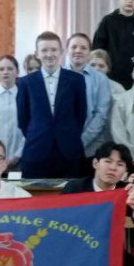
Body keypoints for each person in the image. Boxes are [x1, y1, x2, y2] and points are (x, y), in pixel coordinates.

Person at [16, 32, 89, 178]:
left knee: (71, 192)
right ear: (37, 54)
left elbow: (81, 115)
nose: (49, 54)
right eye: (44, 50)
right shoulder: (26, 82)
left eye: (54, 50)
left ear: (61, 52)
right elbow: (23, 119)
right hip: (36, 151)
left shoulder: (76, 80)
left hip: (69, 152)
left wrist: (68, 133)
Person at [66, 33, 113, 166]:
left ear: (89, 52)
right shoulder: (57, 76)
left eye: (83, 48)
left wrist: (80, 141)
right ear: (67, 50)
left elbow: (101, 115)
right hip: (61, 148)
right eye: (74, 47)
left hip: (91, 149)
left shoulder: (100, 79)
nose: (78, 51)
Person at [111, 60, 134, 169]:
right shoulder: (123, 99)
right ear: (132, 75)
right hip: (131, 158)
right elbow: (118, 130)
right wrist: (131, 155)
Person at [0, 55, 25, 169]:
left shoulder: (24, 95)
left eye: (10, 69)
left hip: (20, 157)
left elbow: (29, 127)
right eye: (1, 69)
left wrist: (17, 155)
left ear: (17, 72)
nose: (5, 72)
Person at [62, 142, 133, 194]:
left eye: (120, 164)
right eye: (108, 161)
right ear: (95, 163)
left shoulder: (127, 191)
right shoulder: (75, 188)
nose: (113, 168)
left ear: (125, 170)